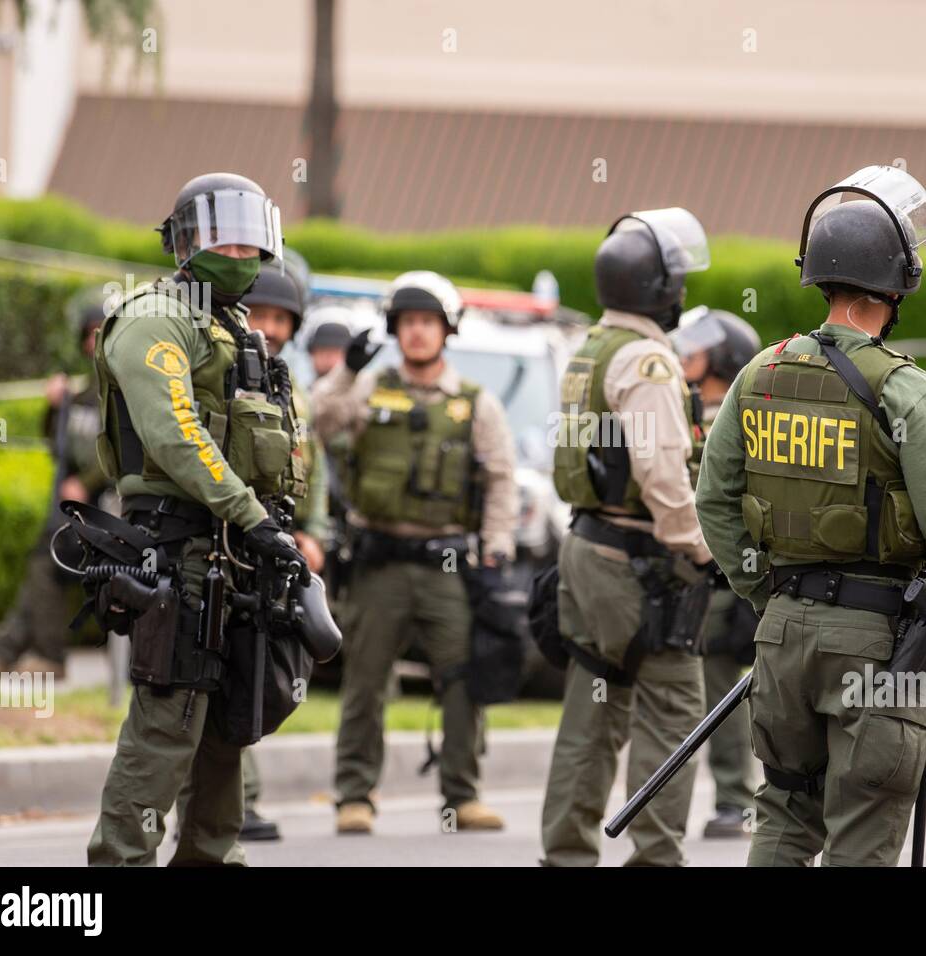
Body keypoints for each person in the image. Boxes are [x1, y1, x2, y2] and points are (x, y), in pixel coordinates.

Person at [695, 166, 926, 866]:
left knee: (787, 812)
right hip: (882, 645)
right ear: (894, 285)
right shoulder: (907, 389)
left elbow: (713, 500)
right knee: (865, 826)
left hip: (782, 636)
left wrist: (766, 594)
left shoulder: (758, 373)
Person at [84, 171, 308, 866]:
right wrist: (251, 516)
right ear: (184, 243)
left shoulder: (234, 331)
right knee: (166, 732)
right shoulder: (156, 316)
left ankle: (214, 858)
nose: (240, 255)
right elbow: (177, 434)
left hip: (239, 557)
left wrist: (272, 529)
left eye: (251, 243)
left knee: (227, 734)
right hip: (180, 553)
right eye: (225, 240)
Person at [312, 271, 518, 834]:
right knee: (365, 682)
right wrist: (346, 370)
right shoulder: (367, 389)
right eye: (407, 323)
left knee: (460, 680)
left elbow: (501, 479)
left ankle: (462, 796)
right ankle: (354, 796)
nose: (418, 333)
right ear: (395, 330)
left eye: (428, 322)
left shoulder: (475, 404)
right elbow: (313, 422)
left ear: (446, 330)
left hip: (449, 565)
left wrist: (498, 550)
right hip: (379, 560)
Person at [540, 208, 715, 867]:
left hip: (584, 547)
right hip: (637, 559)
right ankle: (656, 859)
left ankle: (566, 854)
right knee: (674, 706)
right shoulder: (646, 361)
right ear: (657, 289)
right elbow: (663, 474)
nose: (683, 293)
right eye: (677, 282)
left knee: (592, 711)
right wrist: (703, 550)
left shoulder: (590, 349)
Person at [173, 258, 330, 843]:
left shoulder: (291, 387)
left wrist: (310, 531)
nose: (269, 327)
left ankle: (227, 818)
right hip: (220, 545)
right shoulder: (219, 371)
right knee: (200, 681)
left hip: (270, 548)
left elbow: (306, 466)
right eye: (258, 314)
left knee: (256, 671)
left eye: (279, 318)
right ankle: (214, 816)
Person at [672, 307, 762, 839]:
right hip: (685, 575)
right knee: (700, 689)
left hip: (735, 577)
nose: (685, 358)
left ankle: (737, 801)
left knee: (732, 688)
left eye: (697, 349)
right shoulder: (675, 411)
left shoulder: (747, 414)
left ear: (724, 355)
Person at [0, 296, 114, 676]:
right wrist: (54, 408)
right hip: (77, 510)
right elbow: (57, 448)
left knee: (47, 564)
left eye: (103, 332)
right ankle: (6, 648)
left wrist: (86, 482)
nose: (95, 342)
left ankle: (39, 655)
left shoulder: (122, 390)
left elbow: (124, 449)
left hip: (108, 509)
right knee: (44, 562)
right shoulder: (81, 394)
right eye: (90, 334)